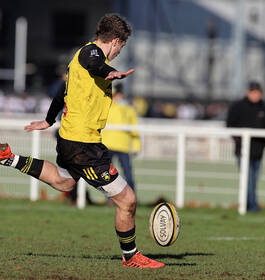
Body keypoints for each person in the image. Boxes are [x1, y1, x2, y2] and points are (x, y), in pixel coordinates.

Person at [0, 14, 164, 269]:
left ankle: (9, 157)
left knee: (63, 181)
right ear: (116, 41)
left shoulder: (79, 59)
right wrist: (112, 72)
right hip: (83, 144)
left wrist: (48, 120)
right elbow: (97, 62)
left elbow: (62, 93)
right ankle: (131, 256)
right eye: (122, 46)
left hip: (71, 137)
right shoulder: (91, 55)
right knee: (127, 200)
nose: (120, 51)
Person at [226, 81, 265, 212]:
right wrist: (238, 141)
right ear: (248, 92)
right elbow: (230, 125)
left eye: (257, 92)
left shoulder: (264, 107)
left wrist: (264, 144)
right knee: (248, 179)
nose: (255, 95)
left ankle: (247, 204)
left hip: (258, 151)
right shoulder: (238, 106)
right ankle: (253, 206)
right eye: (253, 92)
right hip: (243, 150)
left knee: (254, 179)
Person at [101, 83, 141, 192]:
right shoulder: (107, 105)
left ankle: (132, 197)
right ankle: (110, 198)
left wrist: (136, 146)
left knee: (128, 174)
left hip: (123, 146)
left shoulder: (129, 109)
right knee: (106, 174)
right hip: (107, 144)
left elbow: (134, 128)